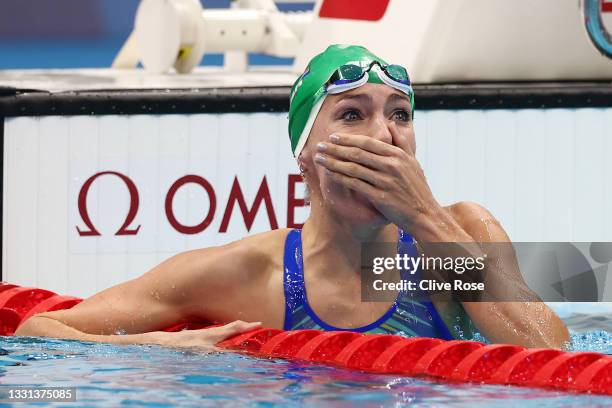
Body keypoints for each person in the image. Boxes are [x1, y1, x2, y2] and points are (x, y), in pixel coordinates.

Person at [16, 44, 569, 351]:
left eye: (400, 116)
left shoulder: (461, 234)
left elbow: (556, 359)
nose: (384, 135)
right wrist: (158, 349)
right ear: (304, 153)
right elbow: (37, 334)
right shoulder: (249, 274)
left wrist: (425, 219)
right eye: (353, 114)